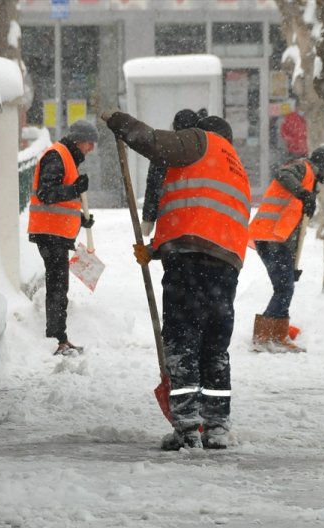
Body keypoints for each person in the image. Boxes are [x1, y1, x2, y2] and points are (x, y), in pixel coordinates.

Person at [102, 110, 251, 451]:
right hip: (225, 268)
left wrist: (121, 123)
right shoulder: (236, 167)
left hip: (190, 264)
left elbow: (154, 143)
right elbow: (205, 214)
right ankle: (216, 427)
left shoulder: (200, 141)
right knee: (215, 350)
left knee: (183, 344)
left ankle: (186, 428)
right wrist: (157, 249)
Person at [248, 145, 324, 353]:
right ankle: (264, 337)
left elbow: (295, 222)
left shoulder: (311, 183)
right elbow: (283, 174)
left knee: (284, 287)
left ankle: (278, 335)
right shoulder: (302, 168)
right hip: (272, 236)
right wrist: (302, 193)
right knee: (284, 288)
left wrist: (291, 263)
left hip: (276, 238)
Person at [27, 119, 98, 356]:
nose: (92, 148)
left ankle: (59, 337)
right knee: (57, 287)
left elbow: (61, 202)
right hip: (49, 234)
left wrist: (80, 218)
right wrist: (75, 190)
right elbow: (46, 194)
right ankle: (57, 339)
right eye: (90, 143)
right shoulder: (56, 156)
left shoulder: (67, 157)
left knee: (59, 285)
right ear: (79, 140)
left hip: (55, 233)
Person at [140, 108, 207, 237]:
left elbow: (153, 187)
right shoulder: (206, 151)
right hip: (200, 221)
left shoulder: (163, 150)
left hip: (170, 221)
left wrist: (148, 218)